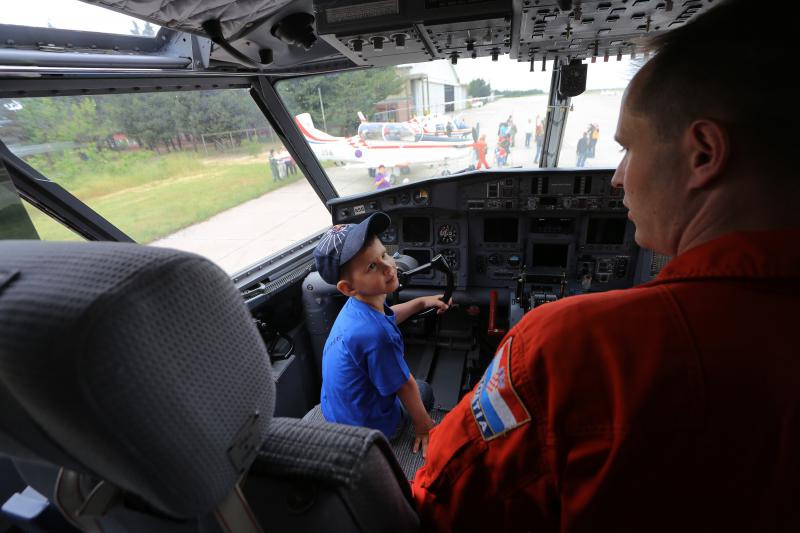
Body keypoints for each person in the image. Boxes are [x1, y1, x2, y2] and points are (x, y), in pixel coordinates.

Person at [412, 1, 800, 531]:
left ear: (704, 152)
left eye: (628, 148)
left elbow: (443, 497)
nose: (617, 178)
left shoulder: (570, 347)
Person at [314, 213, 450, 456]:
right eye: (372, 266)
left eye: (385, 254)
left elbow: (387, 315)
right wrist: (425, 426)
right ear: (348, 287)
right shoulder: (377, 335)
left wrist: (420, 303)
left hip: (338, 413)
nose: (389, 267)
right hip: (368, 431)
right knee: (423, 389)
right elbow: (405, 386)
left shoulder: (357, 309)